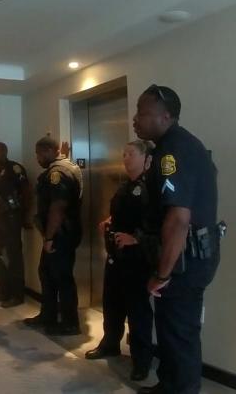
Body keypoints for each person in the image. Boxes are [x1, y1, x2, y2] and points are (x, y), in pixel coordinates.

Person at [133, 84, 221, 394]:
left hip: (184, 262)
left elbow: (178, 219)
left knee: (180, 334)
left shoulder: (173, 151)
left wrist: (162, 274)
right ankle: (167, 385)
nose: (136, 119)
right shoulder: (173, 146)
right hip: (186, 257)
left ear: (166, 116)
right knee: (170, 331)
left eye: (143, 113)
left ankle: (181, 388)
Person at [84, 140, 155, 382]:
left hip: (137, 259)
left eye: (131, 154)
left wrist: (136, 238)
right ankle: (110, 343)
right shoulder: (125, 185)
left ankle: (141, 360)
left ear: (145, 158)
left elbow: (156, 222)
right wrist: (109, 220)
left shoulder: (151, 187)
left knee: (138, 311)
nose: (125, 158)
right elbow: (122, 211)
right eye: (124, 153)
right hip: (116, 255)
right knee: (111, 303)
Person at [23, 136, 84, 336]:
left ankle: (70, 323)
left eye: (39, 154)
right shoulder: (65, 166)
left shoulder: (57, 173)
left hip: (60, 234)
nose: (37, 158)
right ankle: (47, 315)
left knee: (61, 277)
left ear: (49, 151)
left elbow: (58, 207)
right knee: (47, 273)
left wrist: (49, 238)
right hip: (59, 233)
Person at [0, 142, 31, 308]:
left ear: (5, 152)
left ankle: (17, 295)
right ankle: (5, 288)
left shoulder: (15, 168)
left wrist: (25, 216)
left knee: (14, 256)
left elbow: (26, 192)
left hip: (13, 217)